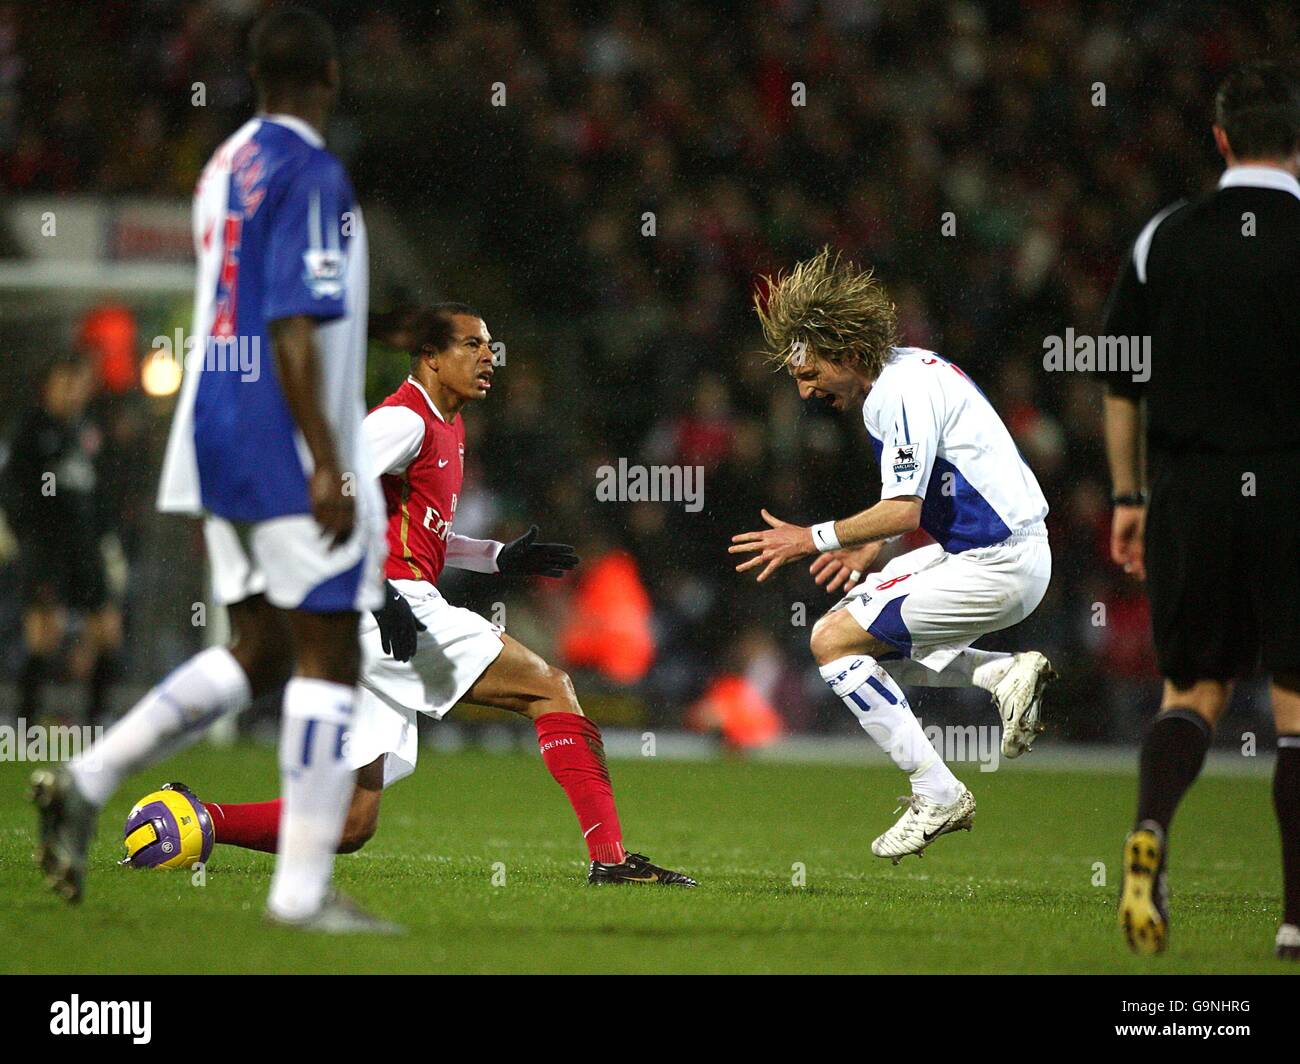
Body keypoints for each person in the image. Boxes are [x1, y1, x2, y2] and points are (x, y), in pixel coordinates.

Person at [31, 7, 396, 932]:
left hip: (210, 431)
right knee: (330, 650)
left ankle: (88, 776)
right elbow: (291, 320)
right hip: (281, 437)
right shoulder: (315, 173)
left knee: (262, 648)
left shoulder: (223, 164)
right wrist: (324, 456)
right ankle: (301, 895)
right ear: (328, 75)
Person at [171, 304, 695, 888]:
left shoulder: (446, 422)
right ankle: (611, 859)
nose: (488, 356)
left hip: (378, 611)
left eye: (490, 344)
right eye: (471, 345)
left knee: (351, 822)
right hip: (382, 607)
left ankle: (197, 824)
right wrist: (372, 590)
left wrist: (499, 557)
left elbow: (421, 531)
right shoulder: (404, 421)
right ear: (430, 355)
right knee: (550, 687)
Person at [730, 248, 1054, 862]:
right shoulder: (912, 371)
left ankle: (937, 792)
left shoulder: (894, 395)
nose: (803, 389)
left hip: (996, 563)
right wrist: (872, 542)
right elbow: (939, 484)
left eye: (809, 371)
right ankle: (997, 673)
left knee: (831, 642)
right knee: (858, 642)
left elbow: (906, 507)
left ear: (847, 352)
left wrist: (813, 537)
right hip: (994, 551)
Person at [1102, 61, 1300, 959]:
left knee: (1194, 692)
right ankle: (1296, 919)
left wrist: (1128, 495)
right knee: (1296, 704)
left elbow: (1121, 382)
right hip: (1291, 486)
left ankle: (1150, 834)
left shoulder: (1163, 238)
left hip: (1186, 491)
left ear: (1219, 139)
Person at [5, 355, 122, 727]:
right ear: (50, 385)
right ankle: (25, 722)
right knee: (43, 633)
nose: (73, 392)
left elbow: (102, 490)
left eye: (80, 384)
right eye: (66, 383)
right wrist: (26, 536)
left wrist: (107, 537)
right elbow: (12, 490)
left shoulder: (90, 431)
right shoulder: (32, 429)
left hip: (85, 547)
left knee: (106, 631)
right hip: (45, 546)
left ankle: (95, 722)